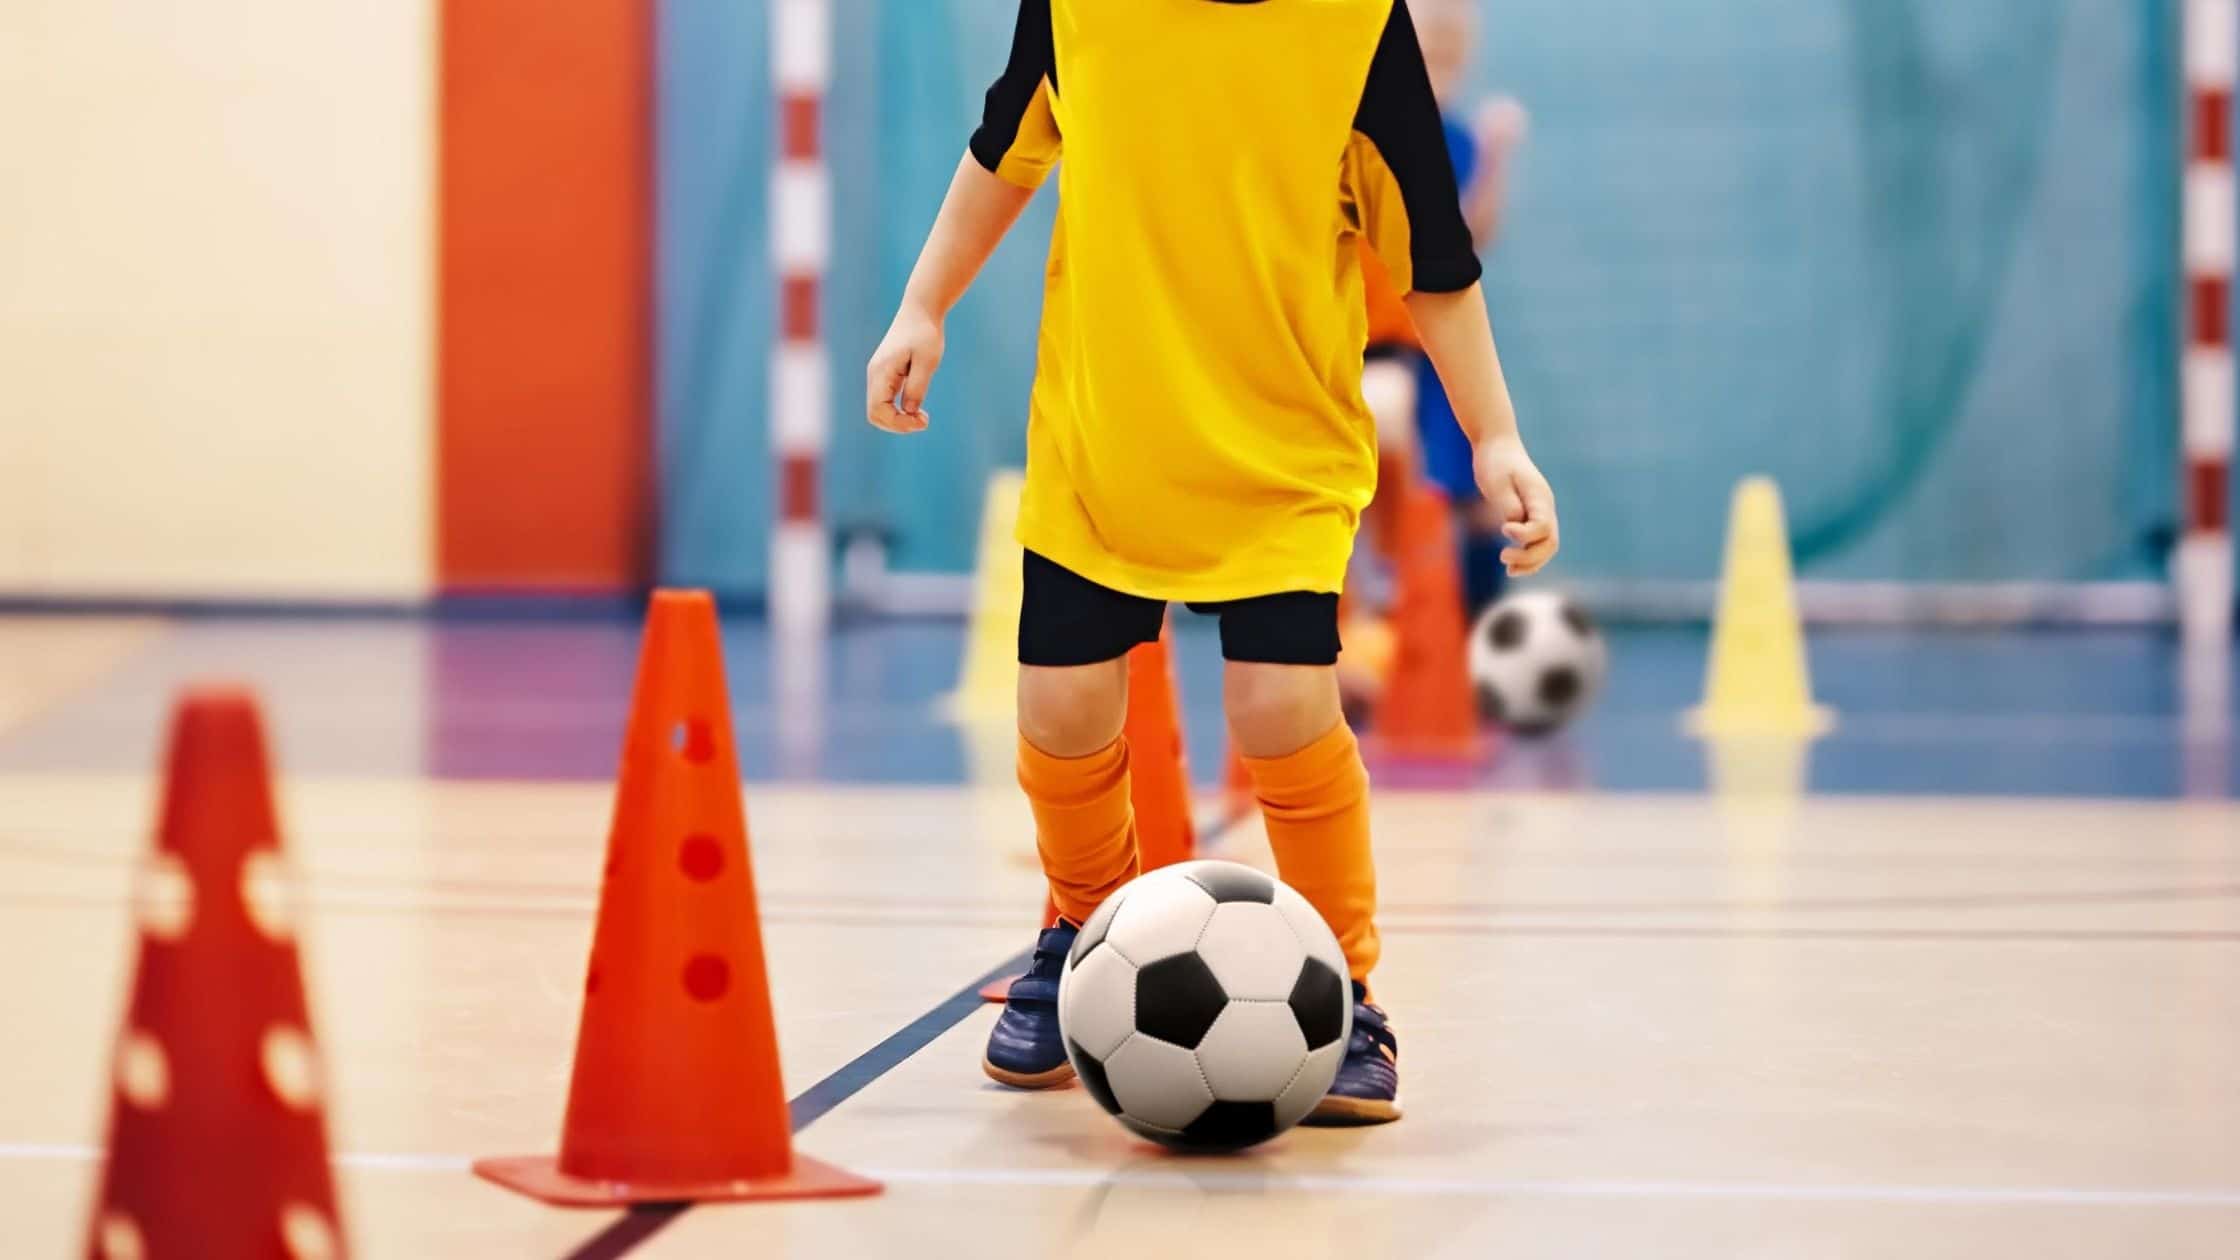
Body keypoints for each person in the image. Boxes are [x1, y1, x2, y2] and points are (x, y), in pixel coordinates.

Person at [865, 0, 1557, 1126]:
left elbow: (1430, 248)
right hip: (1105, 438)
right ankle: (1079, 938)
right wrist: (922, 304)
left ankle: (1342, 988)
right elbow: (1002, 150)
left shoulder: (1353, 26)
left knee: (1281, 706)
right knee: (1060, 705)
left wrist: (1495, 434)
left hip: (1277, 449)